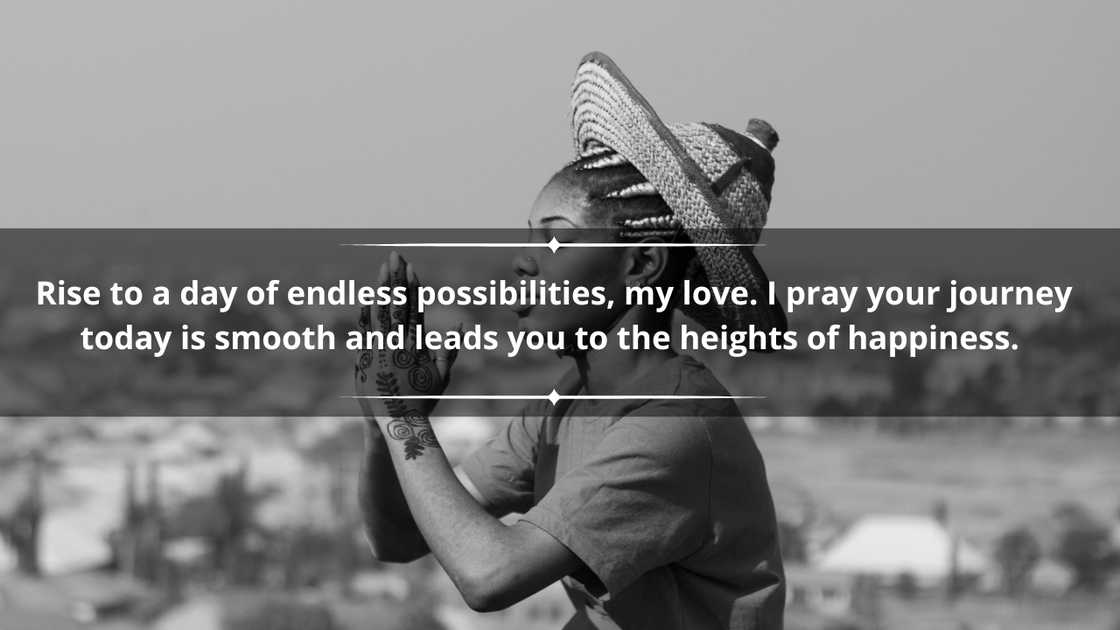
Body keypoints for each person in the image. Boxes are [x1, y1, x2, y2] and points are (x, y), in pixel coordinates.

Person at [356, 52, 786, 629]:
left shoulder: (675, 428)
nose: (523, 261)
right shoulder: (567, 405)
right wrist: (380, 421)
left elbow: (490, 575)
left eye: (555, 239)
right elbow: (402, 537)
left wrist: (402, 417)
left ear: (640, 265)